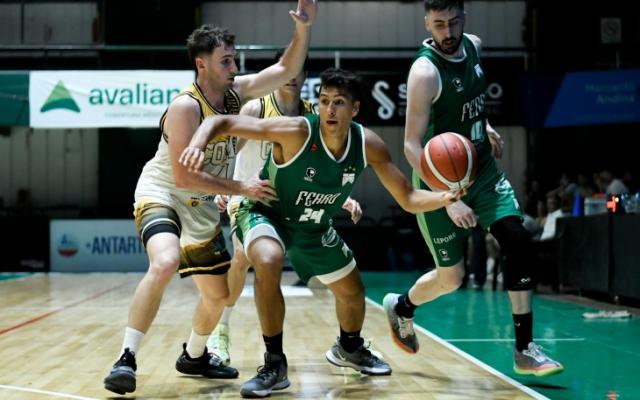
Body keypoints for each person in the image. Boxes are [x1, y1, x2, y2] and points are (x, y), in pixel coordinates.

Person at [180, 68, 464, 398]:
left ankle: (349, 348)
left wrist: (446, 197)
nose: (329, 109)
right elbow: (221, 122)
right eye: (324, 101)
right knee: (268, 259)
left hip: (312, 224)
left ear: (355, 109)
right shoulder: (297, 131)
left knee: (353, 292)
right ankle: (274, 364)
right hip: (265, 211)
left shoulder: (368, 144)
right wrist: (197, 144)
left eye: (339, 102)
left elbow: (409, 198)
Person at [102, 0, 318, 395]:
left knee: (219, 297)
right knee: (165, 262)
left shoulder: (235, 94)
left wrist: (303, 28)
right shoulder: (186, 107)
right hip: (164, 193)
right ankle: (125, 358)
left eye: (234, 60)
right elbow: (184, 176)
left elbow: (286, 69)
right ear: (202, 64)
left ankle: (194, 355)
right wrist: (241, 188)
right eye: (226, 61)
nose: (234, 67)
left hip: (200, 206)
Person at [383, 0, 564, 378]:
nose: (448, 32)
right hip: (439, 182)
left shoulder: (475, 46)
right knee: (452, 278)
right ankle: (402, 307)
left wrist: (487, 126)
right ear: (426, 23)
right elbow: (411, 145)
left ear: (464, 17)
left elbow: (472, 103)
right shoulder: (424, 72)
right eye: (439, 24)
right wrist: (448, 199)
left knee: (518, 239)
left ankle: (524, 349)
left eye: (454, 22)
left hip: (481, 171)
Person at [205, 49, 363, 366]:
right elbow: (227, 149)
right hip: (250, 197)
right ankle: (220, 329)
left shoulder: (314, 115)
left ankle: (350, 340)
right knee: (243, 255)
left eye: (297, 72)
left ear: (305, 78)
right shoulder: (256, 108)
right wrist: (224, 187)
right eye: (286, 71)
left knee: (331, 264)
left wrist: (341, 197)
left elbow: (325, 166)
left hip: (293, 202)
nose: (291, 77)